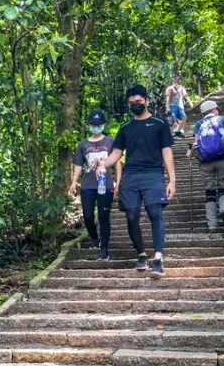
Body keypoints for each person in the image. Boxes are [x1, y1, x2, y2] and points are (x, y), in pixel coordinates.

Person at [99, 84, 176, 278]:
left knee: (154, 212)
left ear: (147, 101)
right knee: (131, 216)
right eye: (132, 103)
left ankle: (158, 258)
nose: (135, 105)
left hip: (153, 174)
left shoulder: (159, 123)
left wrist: (172, 180)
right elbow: (116, 152)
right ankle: (141, 254)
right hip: (131, 176)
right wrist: (103, 165)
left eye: (139, 101)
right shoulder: (126, 127)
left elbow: (167, 151)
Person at [68, 110, 121, 260]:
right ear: (89, 125)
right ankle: (94, 238)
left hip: (106, 185)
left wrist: (118, 182)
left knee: (104, 216)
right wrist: (73, 182)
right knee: (88, 216)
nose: (96, 127)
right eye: (93, 124)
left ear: (103, 124)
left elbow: (117, 164)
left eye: (98, 124)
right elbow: (78, 165)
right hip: (87, 185)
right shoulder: (83, 144)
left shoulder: (110, 142)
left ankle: (104, 249)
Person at [187, 99, 224, 232]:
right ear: (215, 110)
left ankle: (212, 224)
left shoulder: (198, 124)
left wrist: (190, 153)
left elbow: (196, 143)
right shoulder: (223, 119)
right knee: (223, 187)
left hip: (205, 162)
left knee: (209, 192)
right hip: (223, 159)